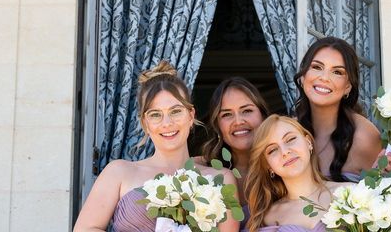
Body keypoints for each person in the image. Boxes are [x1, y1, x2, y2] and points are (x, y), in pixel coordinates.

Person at [74, 61, 240, 232]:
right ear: (145, 123)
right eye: (155, 115)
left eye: (175, 111)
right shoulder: (118, 172)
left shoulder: (222, 179)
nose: (166, 123)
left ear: (191, 116)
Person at [294, 37, 391, 182]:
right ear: (303, 76)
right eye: (317, 67)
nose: (324, 78)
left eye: (337, 72)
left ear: (348, 86)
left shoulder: (364, 137)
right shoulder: (289, 133)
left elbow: (384, 196)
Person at [244, 115, 341, 232]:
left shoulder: (350, 193)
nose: (285, 152)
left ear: (308, 142)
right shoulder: (265, 219)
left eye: (290, 139)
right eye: (273, 150)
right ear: (268, 166)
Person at [200, 77, 270, 206]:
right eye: (227, 114)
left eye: (247, 111)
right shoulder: (204, 174)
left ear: (263, 116)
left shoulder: (282, 167)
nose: (238, 121)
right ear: (217, 125)